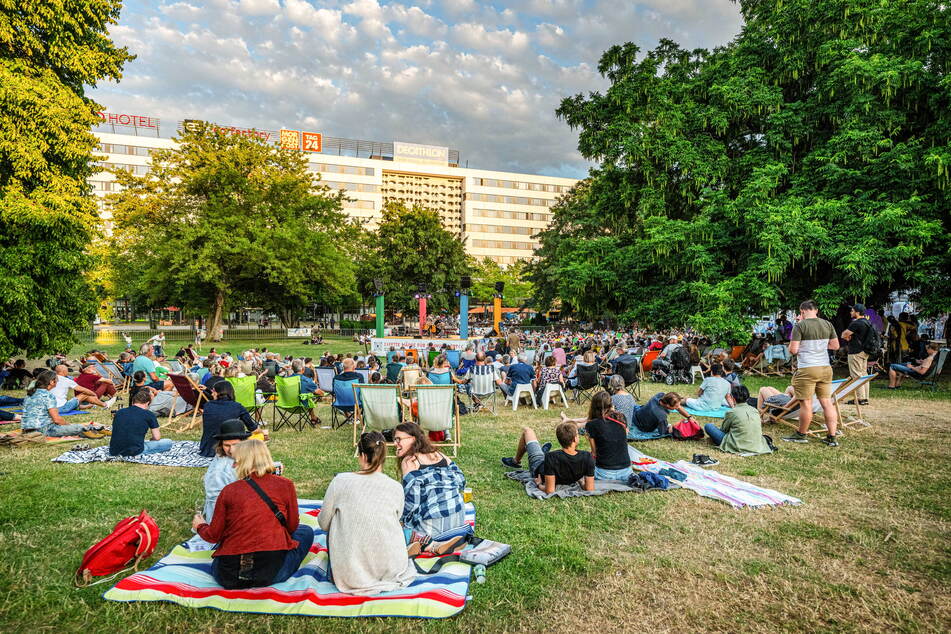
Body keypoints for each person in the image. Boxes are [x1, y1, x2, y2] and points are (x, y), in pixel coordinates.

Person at [192, 439, 313, 589]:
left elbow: (213, 535)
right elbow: (292, 527)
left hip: (228, 577)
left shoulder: (229, 491)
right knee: (305, 532)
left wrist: (200, 526)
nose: (233, 465)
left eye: (235, 461)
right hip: (272, 574)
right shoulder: (285, 485)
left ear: (242, 461)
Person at [317, 431, 418, 595]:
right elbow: (396, 519)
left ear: (362, 455)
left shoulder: (340, 481)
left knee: (337, 521)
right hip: (392, 567)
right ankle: (415, 543)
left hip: (350, 574)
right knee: (401, 529)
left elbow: (324, 523)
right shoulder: (396, 487)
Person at [393, 423, 471, 543]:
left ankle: (427, 544)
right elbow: (461, 481)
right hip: (458, 521)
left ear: (413, 439)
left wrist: (399, 519)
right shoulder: (439, 455)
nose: (395, 443)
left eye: (399, 439)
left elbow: (412, 502)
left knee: (393, 531)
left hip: (432, 527)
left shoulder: (410, 461)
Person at [784, 299, 840, 446]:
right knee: (827, 403)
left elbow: (793, 350)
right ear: (816, 310)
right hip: (825, 368)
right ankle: (832, 437)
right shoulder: (828, 324)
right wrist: (819, 347)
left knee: (806, 403)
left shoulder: (800, 326)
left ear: (802, 311)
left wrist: (805, 347)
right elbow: (835, 345)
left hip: (807, 368)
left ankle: (801, 434)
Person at [500, 422, 595, 494]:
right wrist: (580, 481)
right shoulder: (587, 457)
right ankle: (542, 452)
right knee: (541, 453)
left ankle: (515, 461)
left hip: (537, 466)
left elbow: (549, 491)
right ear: (575, 439)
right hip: (546, 463)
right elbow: (589, 488)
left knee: (527, 431)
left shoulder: (552, 457)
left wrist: (538, 484)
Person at [563, 391, 632, 481]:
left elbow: (594, 453)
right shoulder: (622, 417)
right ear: (611, 404)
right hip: (626, 472)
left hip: (604, 473)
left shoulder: (591, 425)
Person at [20, 370, 106, 439]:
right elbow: (57, 420)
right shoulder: (48, 396)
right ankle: (95, 429)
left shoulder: (30, 394)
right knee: (79, 427)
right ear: (52, 382)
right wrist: (69, 425)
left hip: (26, 430)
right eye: (56, 381)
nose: (57, 383)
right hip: (43, 430)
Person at [703, 386, 772, 455]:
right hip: (757, 446)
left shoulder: (732, 412)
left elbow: (724, 430)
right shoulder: (755, 410)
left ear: (733, 398)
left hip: (737, 445)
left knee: (708, 426)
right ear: (748, 397)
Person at [199, 381, 258, 457]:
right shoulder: (237, 407)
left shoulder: (207, 405)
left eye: (213, 391)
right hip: (228, 448)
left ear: (218, 393)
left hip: (207, 448)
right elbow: (252, 428)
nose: (212, 393)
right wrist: (262, 433)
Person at [109, 389, 173, 456]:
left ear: (133, 401)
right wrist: (152, 439)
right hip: (135, 451)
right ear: (147, 403)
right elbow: (157, 437)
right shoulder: (149, 414)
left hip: (114, 450)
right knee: (168, 442)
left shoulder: (119, 412)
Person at [841, 303, 873, 405]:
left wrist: (847, 337)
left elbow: (844, 334)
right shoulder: (867, 322)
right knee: (864, 374)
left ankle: (860, 399)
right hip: (864, 351)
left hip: (855, 351)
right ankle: (865, 397)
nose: (851, 312)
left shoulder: (856, 323)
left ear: (857, 312)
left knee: (856, 375)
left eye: (852, 311)